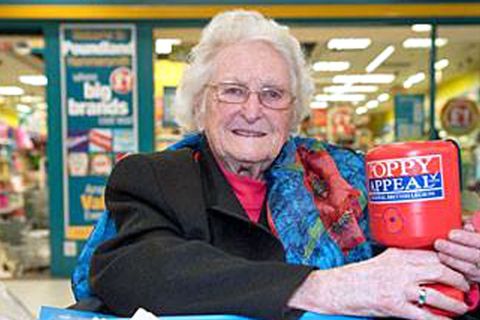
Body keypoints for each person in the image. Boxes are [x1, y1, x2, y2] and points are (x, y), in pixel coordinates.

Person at [88, 10, 480, 320]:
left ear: (294, 113)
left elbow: (421, 284)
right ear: (199, 104)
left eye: (273, 94)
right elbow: (133, 269)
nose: (253, 110)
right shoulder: (155, 176)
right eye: (233, 91)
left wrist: (467, 271)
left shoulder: (349, 178)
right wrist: (327, 287)